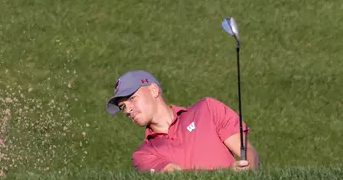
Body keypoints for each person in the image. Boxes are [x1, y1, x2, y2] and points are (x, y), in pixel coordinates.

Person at [105, 70, 259, 172]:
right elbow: (179, 178)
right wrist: (227, 173)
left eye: (132, 98)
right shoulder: (143, 154)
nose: (127, 110)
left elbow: (248, 151)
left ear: (153, 90)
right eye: (123, 106)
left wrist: (247, 172)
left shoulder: (208, 108)